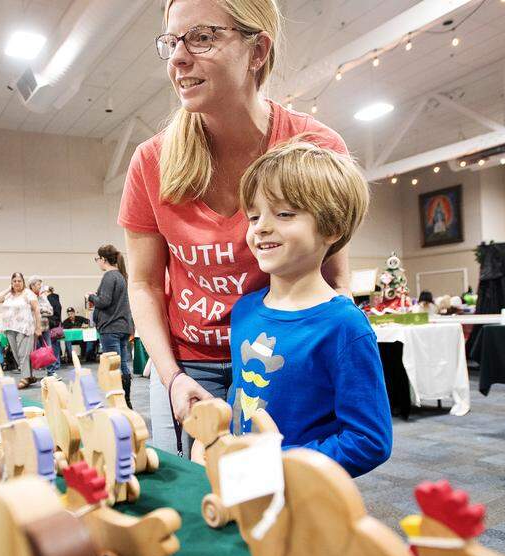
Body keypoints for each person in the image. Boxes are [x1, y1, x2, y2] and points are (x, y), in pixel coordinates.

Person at [119, 0, 350, 457]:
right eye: (171, 42)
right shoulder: (151, 161)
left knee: (277, 493)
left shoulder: (313, 147)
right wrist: (172, 377)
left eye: (201, 38)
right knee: (200, 496)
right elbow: (143, 283)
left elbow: (334, 278)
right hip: (190, 363)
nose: (179, 58)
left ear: (257, 51)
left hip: (278, 355)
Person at [229, 139, 390, 477]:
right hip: (244, 481)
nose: (261, 227)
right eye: (254, 216)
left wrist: (281, 462)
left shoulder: (344, 326)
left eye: (285, 214)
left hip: (304, 497)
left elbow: (368, 439)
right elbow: (243, 393)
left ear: (331, 227)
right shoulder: (244, 311)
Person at [88, 244, 135, 408]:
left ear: (103, 259)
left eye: (97, 259)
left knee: (113, 368)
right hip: (122, 327)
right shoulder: (122, 276)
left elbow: (104, 301)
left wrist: (91, 296)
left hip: (110, 328)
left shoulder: (109, 276)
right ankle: (126, 401)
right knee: (122, 366)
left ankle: (119, 403)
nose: (97, 262)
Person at [0, 272, 40, 388]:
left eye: (19, 281)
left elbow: (37, 310)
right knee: (16, 354)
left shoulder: (28, 293)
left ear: (23, 282)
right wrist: (8, 289)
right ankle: (29, 376)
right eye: (14, 281)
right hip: (9, 328)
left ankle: (24, 378)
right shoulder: (9, 295)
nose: (17, 283)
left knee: (23, 353)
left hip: (25, 328)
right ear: (11, 283)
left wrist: (38, 327)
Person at [30, 276, 58, 376]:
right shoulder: (28, 296)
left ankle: (51, 372)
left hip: (45, 327)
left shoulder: (43, 297)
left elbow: (50, 311)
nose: (40, 286)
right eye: (38, 284)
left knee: (49, 348)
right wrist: (41, 310)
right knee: (31, 351)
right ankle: (30, 375)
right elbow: (29, 311)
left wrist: (38, 310)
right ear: (32, 285)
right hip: (32, 329)